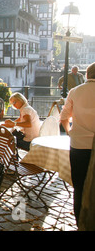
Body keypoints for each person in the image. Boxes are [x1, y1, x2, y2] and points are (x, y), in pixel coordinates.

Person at [60, 62, 95, 228]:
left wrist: (69, 131)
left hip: (79, 145)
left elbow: (64, 117)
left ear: (86, 75)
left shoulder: (75, 91)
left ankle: (80, 220)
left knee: (79, 186)